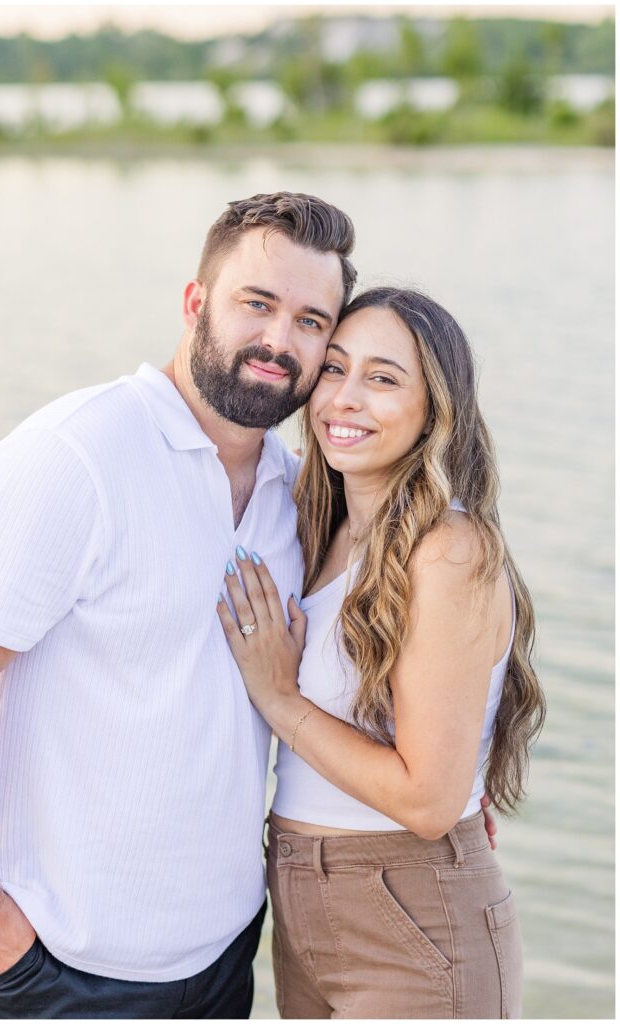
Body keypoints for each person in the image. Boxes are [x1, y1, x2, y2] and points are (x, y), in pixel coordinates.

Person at [0, 192, 357, 1019]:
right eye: (256, 304)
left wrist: (459, 795)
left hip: (222, 953)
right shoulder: (75, 457)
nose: (279, 341)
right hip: (53, 966)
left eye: (311, 321)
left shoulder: (297, 495)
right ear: (196, 303)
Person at [217, 286, 546, 1019]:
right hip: (302, 899)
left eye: (383, 378)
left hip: (413, 911)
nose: (344, 398)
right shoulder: (319, 526)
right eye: (333, 369)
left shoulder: (449, 552)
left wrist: (279, 699)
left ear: (436, 409)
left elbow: (427, 801)